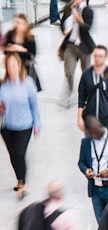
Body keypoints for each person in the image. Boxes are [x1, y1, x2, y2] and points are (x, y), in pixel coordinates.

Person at [0, 53, 40, 200]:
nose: (11, 68)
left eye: (14, 65)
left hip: (24, 125)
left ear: (19, 66)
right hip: (6, 126)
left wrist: (37, 124)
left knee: (19, 154)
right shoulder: (3, 84)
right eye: (9, 66)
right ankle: (19, 179)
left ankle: (23, 185)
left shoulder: (28, 83)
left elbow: (34, 106)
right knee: (12, 156)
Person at [77, 45, 108, 133]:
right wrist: (79, 118)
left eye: (100, 56)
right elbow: (81, 97)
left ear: (105, 57)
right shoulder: (86, 75)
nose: (97, 59)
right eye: (95, 56)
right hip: (90, 121)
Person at [58, 0, 95, 109]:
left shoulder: (88, 11)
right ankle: (67, 96)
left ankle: (88, 96)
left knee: (86, 72)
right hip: (71, 45)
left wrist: (80, 22)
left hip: (84, 46)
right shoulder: (69, 8)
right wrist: (64, 30)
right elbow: (62, 22)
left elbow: (88, 28)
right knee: (69, 71)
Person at [4, 14, 39, 92]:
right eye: (17, 22)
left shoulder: (30, 38)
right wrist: (10, 48)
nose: (18, 25)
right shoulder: (10, 34)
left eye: (20, 23)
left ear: (25, 25)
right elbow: (5, 51)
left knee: (26, 90)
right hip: (12, 67)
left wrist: (22, 49)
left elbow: (33, 56)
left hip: (26, 68)